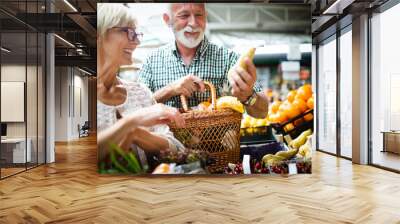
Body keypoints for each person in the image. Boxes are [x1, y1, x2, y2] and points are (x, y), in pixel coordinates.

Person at [138, 3, 268, 118]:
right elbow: (135, 111)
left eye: (199, 15)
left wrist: (249, 95)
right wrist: (170, 90)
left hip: (220, 145)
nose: (193, 23)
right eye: (184, 16)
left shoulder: (228, 59)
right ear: (167, 20)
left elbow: (262, 112)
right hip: (165, 145)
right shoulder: (151, 61)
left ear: (205, 16)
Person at [97, 4, 185, 169]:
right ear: (99, 34)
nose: (136, 41)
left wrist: (137, 134)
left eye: (137, 34)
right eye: (128, 32)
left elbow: (177, 148)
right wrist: (131, 122)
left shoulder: (140, 92)